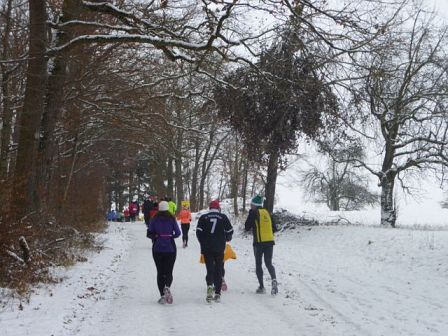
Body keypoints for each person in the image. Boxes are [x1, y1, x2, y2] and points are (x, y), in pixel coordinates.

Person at [196, 200, 233, 303]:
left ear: (209, 208)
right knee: (219, 268)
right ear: (218, 208)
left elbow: (198, 232)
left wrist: (202, 242)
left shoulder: (203, 217)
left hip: (207, 248)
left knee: (209, 269)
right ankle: (217, 293)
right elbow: (230, 231)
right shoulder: (223, 217)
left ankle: (209, 288)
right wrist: (227, 237)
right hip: (219, 247)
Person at [146, 201, 181, 304]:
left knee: (160, 272)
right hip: (170, 247)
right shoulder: (172, 218)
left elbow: (149, 233)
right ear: (167, 208)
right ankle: (167, 287)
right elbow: (178, 233)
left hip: (157, 248)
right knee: (169, 271)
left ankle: (162, 295)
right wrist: (171, 236)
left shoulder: (154, 219)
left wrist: (156, 236)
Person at [244, 195, 278, 295]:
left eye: (251, 204)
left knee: (258, 264)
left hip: (258, 243)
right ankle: (274, 280)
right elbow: (275, 229)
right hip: (270, 242)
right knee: (269, 263)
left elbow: (246, 227)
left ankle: (262, 287)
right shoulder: (268, 212)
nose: (250, 206)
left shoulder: (253, 212)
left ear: (255, 205)